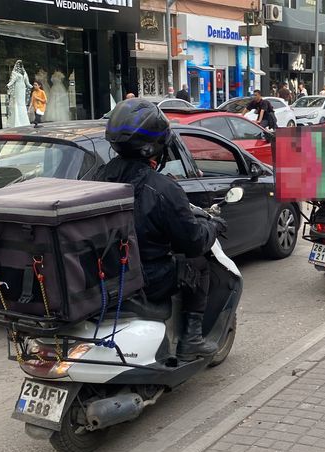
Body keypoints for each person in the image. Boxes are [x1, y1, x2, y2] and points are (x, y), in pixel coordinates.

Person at [95, 98, 226, 359]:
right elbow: (193, 241)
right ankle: (191, 338)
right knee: (198, 262)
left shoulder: (98, 177)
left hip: (103, 272)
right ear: (156, 146)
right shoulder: (163, 188)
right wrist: (211, 225)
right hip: (146, 277)